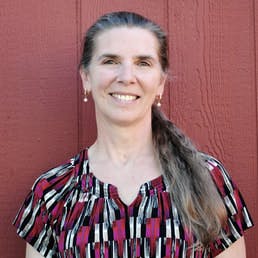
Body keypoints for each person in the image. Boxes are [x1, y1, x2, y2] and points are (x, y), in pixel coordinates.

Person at [13, 11, 253, 258]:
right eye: (110, 61)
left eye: (143, 63)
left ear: (160, 82)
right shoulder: (52, 192)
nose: (127, 77)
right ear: (86, 77)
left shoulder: (208, 180)